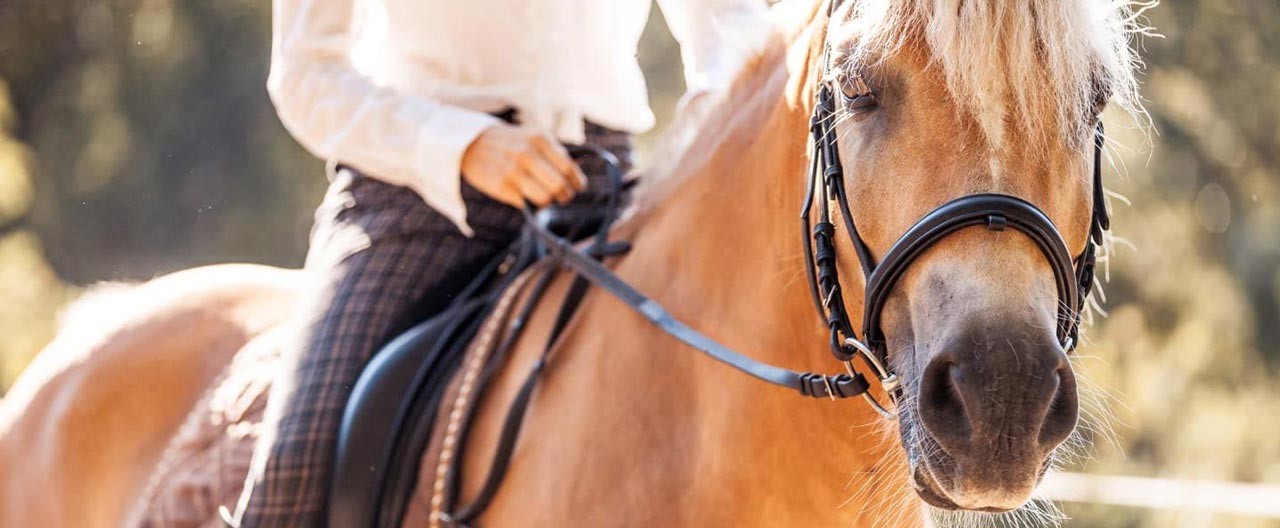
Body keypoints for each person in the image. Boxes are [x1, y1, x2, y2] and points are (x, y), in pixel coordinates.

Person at [231, 0, 771, 525]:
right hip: (413, 197)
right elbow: (308, 77)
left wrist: (699, 156)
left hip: (607, 190)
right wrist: (463, 144)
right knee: (296, 463)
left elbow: (732, 27)